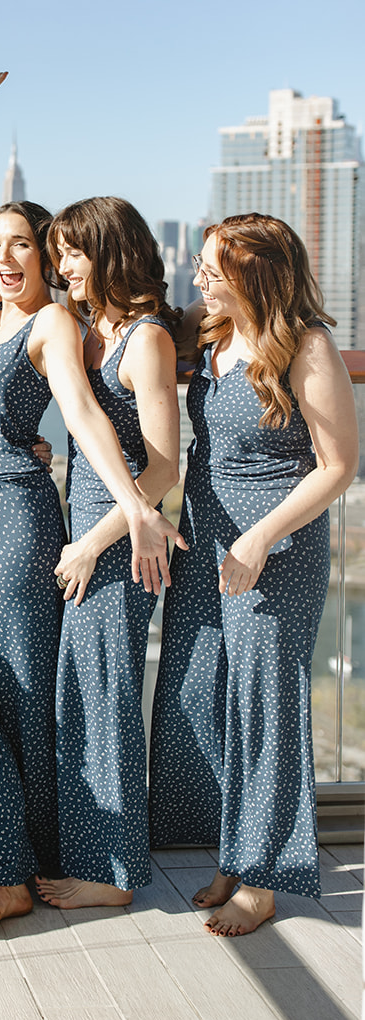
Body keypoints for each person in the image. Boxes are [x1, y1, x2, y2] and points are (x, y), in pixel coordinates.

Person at [0, 73, 184, 936]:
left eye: (21, 246)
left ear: (45, 257)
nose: (2, 254)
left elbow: (78, 414)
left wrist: (131, 503)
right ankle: (4, 852)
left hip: (17, 527)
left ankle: (16, 864)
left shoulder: (51, 324)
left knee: (24, 696)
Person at [149, 214, 357, 935]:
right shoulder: (207, 333)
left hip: (271, 548)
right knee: (205, 692)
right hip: (205, 540)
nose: (198, 279)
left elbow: (336, 467)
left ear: (254, 274)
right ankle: (233, 854)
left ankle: (262, 879)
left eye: (212, 270)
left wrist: (260, 538)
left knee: (265, 706)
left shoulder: (307, 347)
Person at [34, 197, 180, 911]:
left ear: (110, 252)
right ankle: (89, 851)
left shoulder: (146, 339)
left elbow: (160, 469)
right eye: (56, 255)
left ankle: (112, 872)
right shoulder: (89, 329)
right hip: (91, 528)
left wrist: (91, 541)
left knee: (103, 699)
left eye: (72, 254)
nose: (60, 269)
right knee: (82, 697)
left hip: (122, 543)